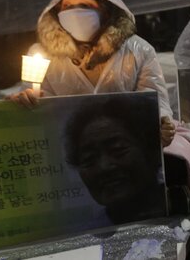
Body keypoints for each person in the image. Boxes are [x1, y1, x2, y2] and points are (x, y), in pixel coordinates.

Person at [7, 0, 190, 188]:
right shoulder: (41, 55)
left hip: (130, 143)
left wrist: (159, 123)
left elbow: (155, 98)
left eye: (85, 5)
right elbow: (36, 102)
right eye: (67, 5)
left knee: (178, 159)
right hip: (70, 149)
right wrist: (25, 102)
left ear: (106, 9)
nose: (74, 12)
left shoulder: (138, 50)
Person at [64, 96, 166, 225]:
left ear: (153, 150)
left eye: (118, 150)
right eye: (88, 159)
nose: (104, 166)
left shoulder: (189, 213)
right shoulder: (86, 234)